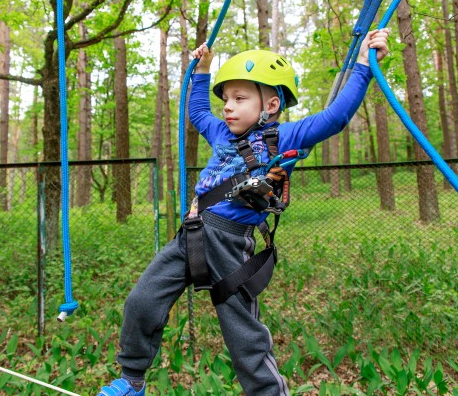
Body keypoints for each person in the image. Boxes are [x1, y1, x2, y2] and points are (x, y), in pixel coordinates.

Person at [98, 28, 390, 396]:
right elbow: (198, 111)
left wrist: (363, 65)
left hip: (230, 245)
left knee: (243, 336)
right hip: (191, 234)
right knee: (142, 300)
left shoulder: (286, 139)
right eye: (227, 98)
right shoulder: (222, 134)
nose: (229, 106)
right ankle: (132, 380)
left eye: (239, 98)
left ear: (270, 105)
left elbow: (335, 117)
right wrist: (202, 70)